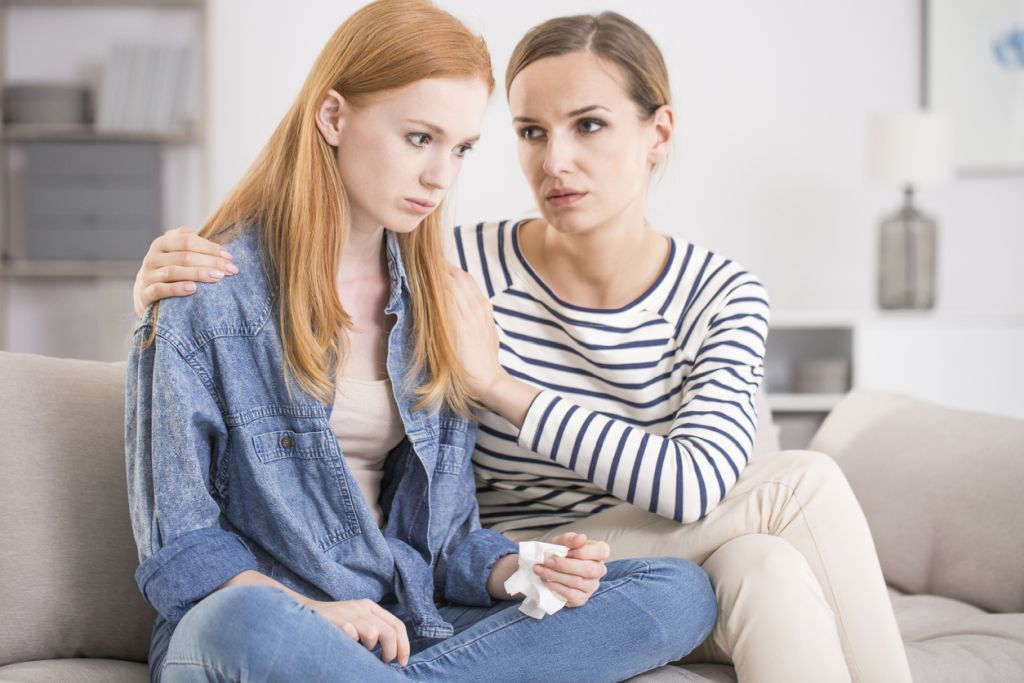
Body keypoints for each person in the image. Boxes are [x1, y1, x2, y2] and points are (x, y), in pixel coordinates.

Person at [132, 8, 912, 683]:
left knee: (686, 589)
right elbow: (183, 548)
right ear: (333, 118)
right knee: (246, 623)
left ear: (658, 133)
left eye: (462, 148)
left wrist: (517, 565)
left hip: (410, 615)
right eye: (419, 138)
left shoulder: (436, 289)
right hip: (268, 620)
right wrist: (319, 612)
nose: (441, 175)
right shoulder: (230, 291)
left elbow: (446, 537)